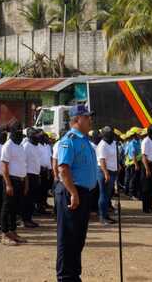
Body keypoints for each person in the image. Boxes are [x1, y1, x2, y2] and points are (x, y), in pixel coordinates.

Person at [55, 105, 97, 282]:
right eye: (87, 117)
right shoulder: (69, 139)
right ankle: (66, 277)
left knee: (78, 238)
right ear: (77, 119)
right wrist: (73, 192)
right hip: (71, 191)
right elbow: (63, 169)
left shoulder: (85, 140)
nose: (90, 120)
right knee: (68, 238)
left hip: (83, 192)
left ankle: (74, 275)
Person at [0, 123, 28, 246]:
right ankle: (4, 234)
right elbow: (4, 166)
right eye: (17, 131)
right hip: (11, 180)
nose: (20, 133)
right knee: (7, 208)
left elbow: (23, 164)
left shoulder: (20, 146)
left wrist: (25, 182)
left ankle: (13, 231)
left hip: (20, 180)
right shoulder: (8, 146)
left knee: (15, 208)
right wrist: (8, 184)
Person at [96, 126, 117, 224]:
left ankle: (106, 215)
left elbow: (114, 156)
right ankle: (102, 217)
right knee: (103, 195)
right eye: (110, 133)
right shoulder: (102, 145)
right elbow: (102, 160)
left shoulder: (113, 143)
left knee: (108, 195)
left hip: (113, 171)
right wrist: (106, 173)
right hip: (104, 172)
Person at [21, 129, 41, 228]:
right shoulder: (26, 147)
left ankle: (29, 218)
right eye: (36, 135)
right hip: (28, 176)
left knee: (32, 198)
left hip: (36, 175)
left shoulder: (36, 146)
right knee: (27, 199)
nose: (38, 136)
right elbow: (24, 163)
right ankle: (25, 219)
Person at [140, 125, 152, 214]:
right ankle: (145, 208)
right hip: (148, 166)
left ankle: (150, 207)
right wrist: (147, 169)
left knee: (151, 187)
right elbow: (144, 156)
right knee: (146, 188)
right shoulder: (146, 141)